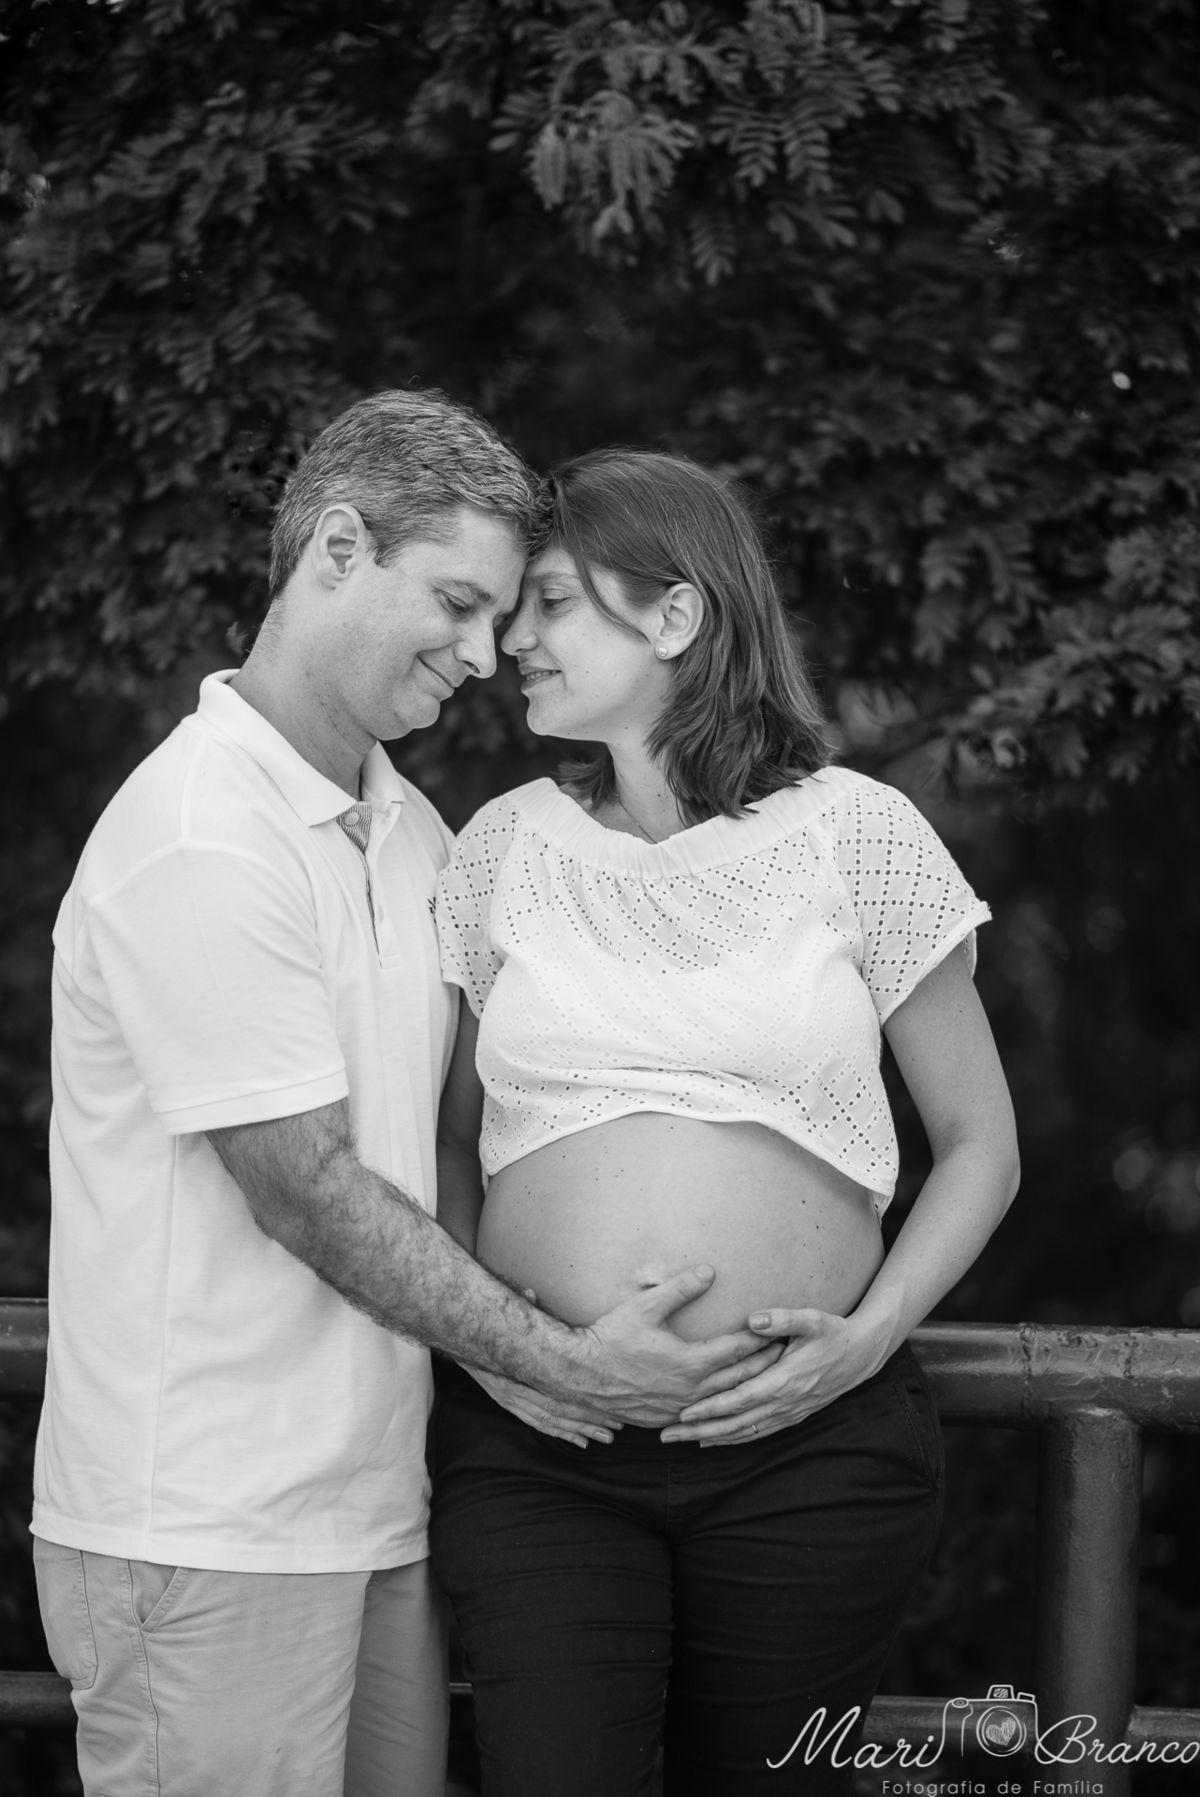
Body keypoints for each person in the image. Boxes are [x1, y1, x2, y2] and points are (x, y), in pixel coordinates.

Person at [32, 396, 774, 1797]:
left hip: (378, 1511)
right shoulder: (201, 833)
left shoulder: (412, 830)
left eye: (502, 617)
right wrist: (564, 1359)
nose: (486, 654)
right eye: (456, 599)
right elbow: (304, 1185)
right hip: (207, 1527)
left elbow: (459, 1133)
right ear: (335, 546)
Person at [430, 448, 1021, 1796]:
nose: (512, 638)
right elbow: (451, 1148)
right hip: (542, 1451)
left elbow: (981, 1143)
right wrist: (499, 1358)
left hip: (803, 1451)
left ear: (678, 616)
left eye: (555, 602)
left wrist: (865, 1345)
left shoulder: (859, 833)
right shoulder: (500, 847)